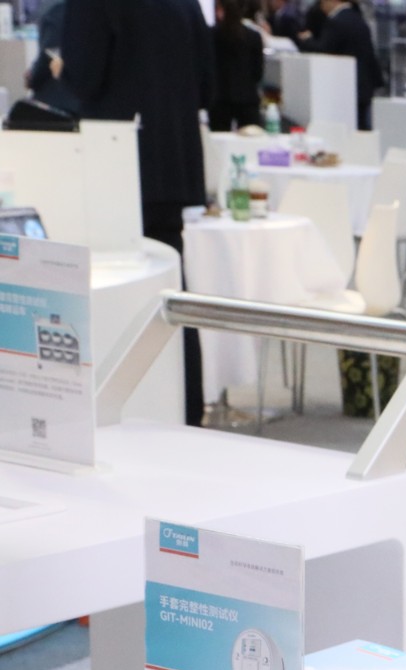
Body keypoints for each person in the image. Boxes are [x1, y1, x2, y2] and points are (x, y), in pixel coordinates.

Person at [61, 0, 212, 426]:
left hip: (116, 161)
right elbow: (207, 83)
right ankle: (186, 407)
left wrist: (60, 70)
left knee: (120, 291)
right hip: (173, 158)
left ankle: (129, 416)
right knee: (171, 289)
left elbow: (84, 76)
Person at [297, 0, 385, 131]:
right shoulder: (356, 17)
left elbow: (324, 49)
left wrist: (307, 40)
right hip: (364, 84)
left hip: (346, 86)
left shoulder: (336, 21)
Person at [211, 0, 266, 131]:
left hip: (220, 100)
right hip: (248, 100)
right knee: (251, 139)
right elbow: (258, 73)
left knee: (219, 139)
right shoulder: (254, 37)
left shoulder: (212, 35)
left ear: (220, 8)